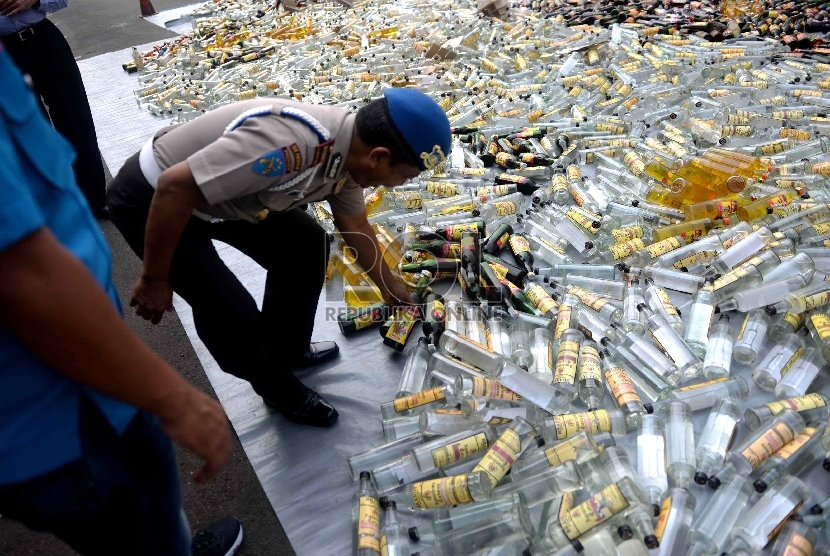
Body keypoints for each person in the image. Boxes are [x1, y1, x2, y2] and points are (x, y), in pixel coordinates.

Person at [0, 44, 242, 556]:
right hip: (66, 410)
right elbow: (25, 278)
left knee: (144, 526)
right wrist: (172, 397)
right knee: (136, 525)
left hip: (75, 382)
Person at [107, 88, 451, 427]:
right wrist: (155, 277)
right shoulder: (291, 148)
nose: (396, 185)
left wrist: (390, 289)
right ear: (378, 156)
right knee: (229, 309)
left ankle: (287, 350)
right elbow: (174, 186)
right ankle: (276, 387)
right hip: (157, 201)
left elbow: (355, 223)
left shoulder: (349, 157)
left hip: (229, 197)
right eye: (403, 176)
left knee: (306, 246)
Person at [0, 0, 109, 218]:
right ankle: (57, 210)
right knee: (31, 136)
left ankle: (95, 200)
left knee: (77, 120)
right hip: (4, 57)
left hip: (45, 42)